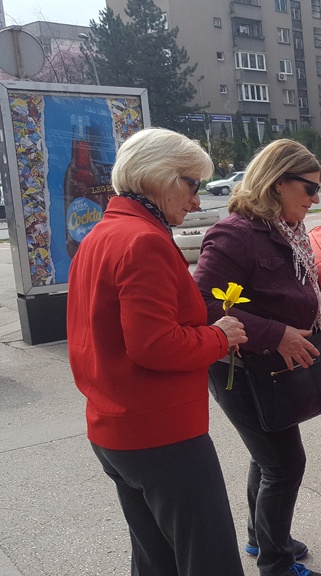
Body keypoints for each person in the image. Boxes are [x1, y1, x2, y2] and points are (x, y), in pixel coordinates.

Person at [66, 128, 248, 576]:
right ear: (159, 177)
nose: (196, 201)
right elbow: (155, 345)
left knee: (155, 559)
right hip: (161, 434)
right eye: (191, 185)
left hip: (115, 428)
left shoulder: (102, 234)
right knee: (208, 559)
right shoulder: (143, 240)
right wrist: (220, 336)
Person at [194, 139, 321, 576]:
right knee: (285, 464)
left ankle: (261, 538)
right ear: (277, 185)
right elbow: (204, 307)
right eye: (309, 189)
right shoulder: (234, 234)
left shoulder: (286, 230)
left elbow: (276, 292)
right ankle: (275, 563)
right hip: (242, 369)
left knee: (269, 456)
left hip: (272, 369)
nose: (315, 200)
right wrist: (275, 334)